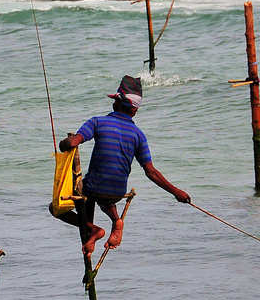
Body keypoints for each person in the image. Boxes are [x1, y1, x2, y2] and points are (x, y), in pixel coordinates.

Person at [51, 75, 190, 255]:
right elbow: (151, 172)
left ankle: (93, 230)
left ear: (115, 104)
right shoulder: (139, 135)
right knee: (105, 198)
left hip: (93, 188)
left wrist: (64, 143)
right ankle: (116, 220)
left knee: (55, 207)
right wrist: (176, 192)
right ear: (134, 111)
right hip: (116, 193)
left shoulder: (97, 122)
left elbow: (72, 144)